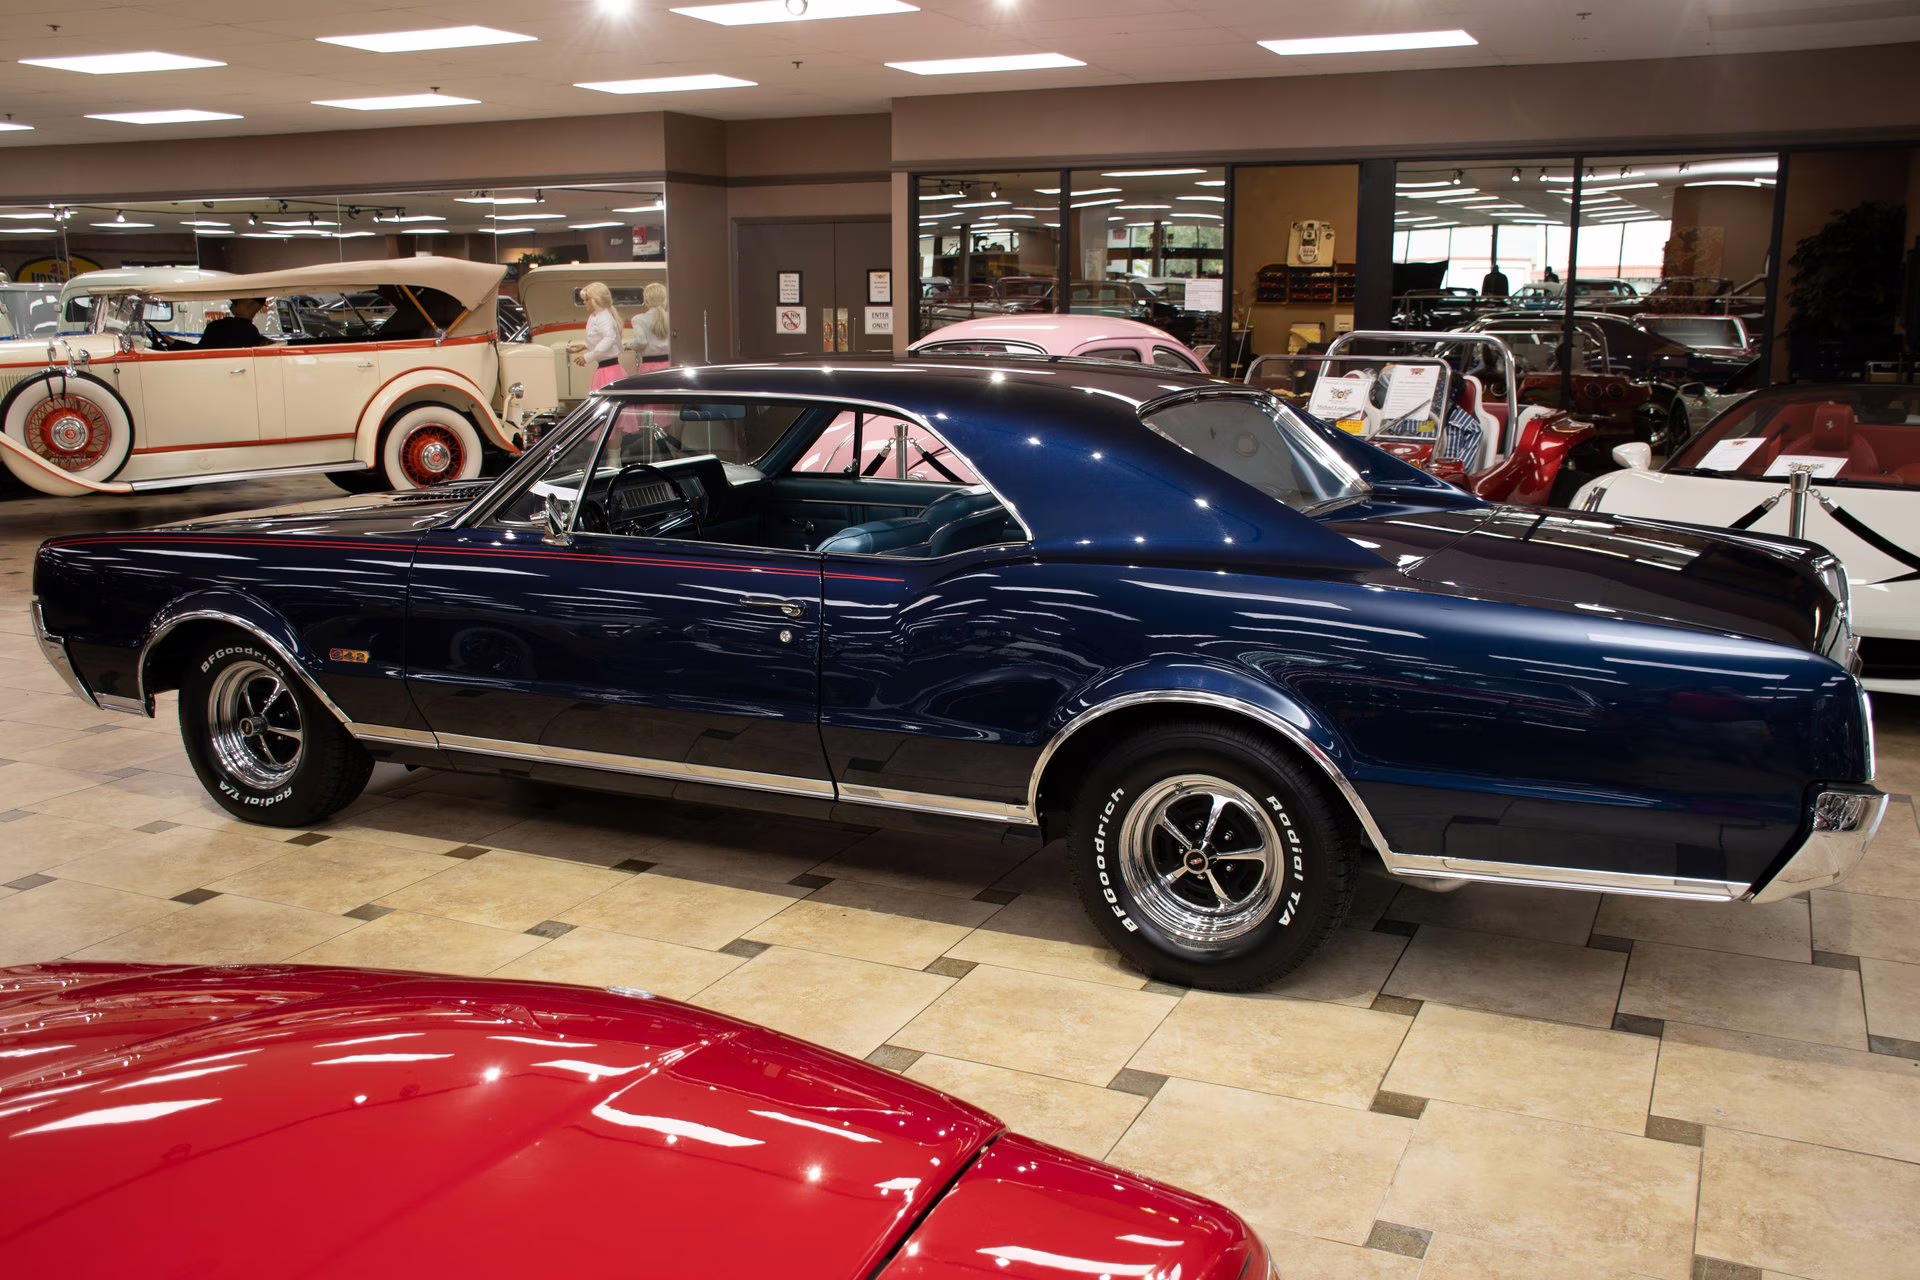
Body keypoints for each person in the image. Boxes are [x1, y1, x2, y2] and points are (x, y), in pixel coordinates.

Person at [573, 282, 625, 391]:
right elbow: (604, 338)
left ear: (595, 300)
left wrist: (588, 357)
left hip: (608, 371)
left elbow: (609, 338)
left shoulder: (603, 317)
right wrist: (586, 346)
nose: (584, 302)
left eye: (587, 299)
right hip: (606, 369)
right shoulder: (597, 316)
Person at [625, 281, 670, 375]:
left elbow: (641, 341)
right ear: (665, 299)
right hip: (671, 365)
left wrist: (629, 345)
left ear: (646, 300)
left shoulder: (638, 319)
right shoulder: (673, 317)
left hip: (649, 366)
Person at [198, 297, 269, 349]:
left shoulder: (215, 326)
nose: (231, 302)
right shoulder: (250, 330)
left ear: (251, 305)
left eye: (237, 301)